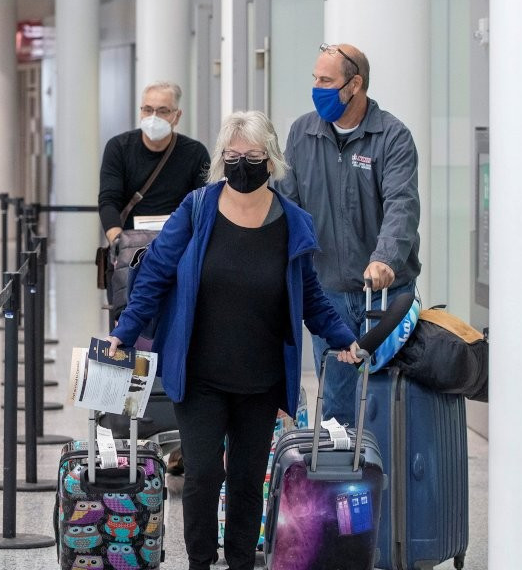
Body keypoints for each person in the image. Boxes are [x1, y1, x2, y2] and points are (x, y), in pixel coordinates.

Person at [104, 111, 361, 570]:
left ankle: (242, 560)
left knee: (246, 479)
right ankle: (200, 562)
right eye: (233, 155)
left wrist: (341, 336)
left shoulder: (293, 221)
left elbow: (311, 296)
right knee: (203, 474)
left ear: (272, 159)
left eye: (253, 156)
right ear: (222, 157)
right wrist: (125, 331)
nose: (242, 164)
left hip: (260, 378)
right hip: (200, 372)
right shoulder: (198, 208)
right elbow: (156, 273)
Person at [274, 42, 421, 424]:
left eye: (326, 80)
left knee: (386, 401)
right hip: (328, 295)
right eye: (315, 79)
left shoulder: (392, 136)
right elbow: (289, 206)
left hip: (386, 295)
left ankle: (390, 477)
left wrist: (385, 259)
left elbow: (401, 206)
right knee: (337, 404)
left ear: (354, 85)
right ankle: (342, 480)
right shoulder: (303, 133)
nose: (317, 87)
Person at [99, 81, 210, 244]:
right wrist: (117, 242)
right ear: (141, 112)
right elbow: (109, 200)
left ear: (177, 116)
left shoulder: (195, 152)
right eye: (148, 110)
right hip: (130, 243)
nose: (153, 117)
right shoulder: (119, 148)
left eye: (163, 111)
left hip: (179, 244)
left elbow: (203, 204)